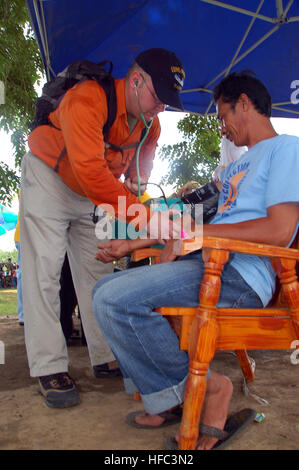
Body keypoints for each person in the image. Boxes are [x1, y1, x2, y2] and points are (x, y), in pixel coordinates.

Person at [92, 71, 299, 450]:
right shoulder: (237, 166)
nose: (221, 128)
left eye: (222, 116)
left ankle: (207, 390)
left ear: (244, 104)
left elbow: (281, 228)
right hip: (210, 264)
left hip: (240, 276)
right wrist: (135, 242)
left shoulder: (288, 148)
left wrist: (200, 238)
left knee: (113, 300)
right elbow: (201, 221)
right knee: (105, 287)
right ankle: (167, 395)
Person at [20, 48, 185, 408]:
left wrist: (141, 212)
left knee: (98, 270)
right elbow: (92, 172)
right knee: (44, 270)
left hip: (92, 194)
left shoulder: (151, 126)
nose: (161, 109)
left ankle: (104, 354)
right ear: (136, 80)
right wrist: (144, 218)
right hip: (49, 176)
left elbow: (137, 178)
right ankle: (49, 366)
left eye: (167, 103)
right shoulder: (88, 99)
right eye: (158, 98)